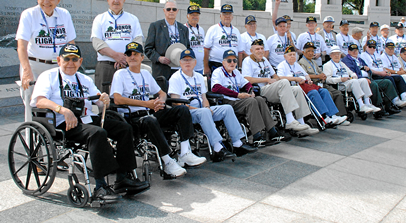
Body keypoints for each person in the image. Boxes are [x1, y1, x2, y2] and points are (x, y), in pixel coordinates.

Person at [31, 44, 149, 200]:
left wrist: (104, 99)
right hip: (62, 123)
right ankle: (101, 186)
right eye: (67, 59)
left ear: (80, 61)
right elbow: (40, 101)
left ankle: (123, 177)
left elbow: (99, 101)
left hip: (85, 119)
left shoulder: (84, 79)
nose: (70, 63)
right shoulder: (49, 76)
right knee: (98, 133)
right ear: (59, 60)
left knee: (124, 128)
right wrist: (63, 110)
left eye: (74, 59)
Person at [111, 42, 205, 177]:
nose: (132, 57)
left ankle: (185, 152)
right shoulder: (120, 74)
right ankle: (167, 162)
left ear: (142, 57)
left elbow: (162, 93)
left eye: (136, 54)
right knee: (150, 120)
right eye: (129, 54)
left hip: (150, 111)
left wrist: (160, 101)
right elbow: (117, 99)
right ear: (125, 57)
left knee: (182, 110)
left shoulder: (145, 73)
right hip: (133, 116)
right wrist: (145, 104)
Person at [169, 48, 257, 159]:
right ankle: (217, 148)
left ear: (195, 62)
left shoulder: (199, 77)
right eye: (184, 60)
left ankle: (237, 144)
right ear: (180, 62)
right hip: (188, 112)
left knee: (227, 108)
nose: (187, 62)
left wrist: (207, 107)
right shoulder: (176, 78)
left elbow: (204, 97)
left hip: (203, 110)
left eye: (190, 60)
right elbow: (176, 104)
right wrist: (200, 110)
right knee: (205, 112)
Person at [16, 0, 76, 124]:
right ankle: (35, 135)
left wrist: (72, 67)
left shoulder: (64, 14)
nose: (46, 2)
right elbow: (21, 46)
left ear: (58, 0)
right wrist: (26, 71)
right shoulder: (29, 14)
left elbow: (71, 44)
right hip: (35, 65)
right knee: (35, 103)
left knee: (60, 100)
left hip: (59, 66)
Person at [242, 39, 318, 136]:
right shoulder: (247, 61)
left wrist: (275, 81)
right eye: (257, 49)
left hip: (271, 88)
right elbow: (247, 79)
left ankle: (301, 123)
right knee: (284, 82)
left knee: (296, 89)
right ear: (251, 51)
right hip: (260, 90)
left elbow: (275, 76)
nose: (260, 51)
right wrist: (266, 80)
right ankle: (290, 120)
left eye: (262, 48)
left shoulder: (264, 60)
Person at [211, 49, 286, 147]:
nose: (232, 63)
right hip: (227, 101)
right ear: (223, 62)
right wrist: (237, 95)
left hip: (239, 100)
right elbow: (216, 88)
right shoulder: (218, 72)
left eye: (234, 60)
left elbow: (246, 83)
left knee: (259, 99)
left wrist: (250, 91)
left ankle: (272, 131)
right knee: (251, 102)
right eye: (229, 61)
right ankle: (257, 135)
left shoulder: (236, 72)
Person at [91, 0, 144, 93]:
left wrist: (125, 57)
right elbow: (97, 43)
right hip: (106, 65)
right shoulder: (100, 18)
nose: (116, 1)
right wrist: (115, 55)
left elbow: (138, 41)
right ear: (107, 0)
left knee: (128, 95)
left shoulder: (132, 19)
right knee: (104, 100)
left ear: (124, 0)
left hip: (128, 64)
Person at [277, 45, 348, 125]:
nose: (292, 56)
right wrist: (295, 79)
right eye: (290, 55)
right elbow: (279, 77)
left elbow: (306, 74)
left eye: (294, 54)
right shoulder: (282, 65)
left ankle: (332, 115)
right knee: (313, 93)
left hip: (305, 85)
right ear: (285, 56)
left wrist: (309, 80)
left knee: (323, 91)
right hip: (295, 87)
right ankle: (324, 117)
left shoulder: (296, 64)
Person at [342, 43, 401, 118]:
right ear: (349, 51)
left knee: (387, 82)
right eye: (352, 50)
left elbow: (370, 70)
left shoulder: (359, 59)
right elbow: (352, 73)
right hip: (359, 80)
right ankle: (378, 107)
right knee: (373, 85)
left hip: (369, 77)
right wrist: (362, 78)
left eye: (356, 50)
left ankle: (389, 105)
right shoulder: (347, 60)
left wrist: (368, 69)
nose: (354, 52)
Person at [299, 42, 350, 119]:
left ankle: (338, 115)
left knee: (337, 93)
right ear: (303, 52)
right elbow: (304, 76)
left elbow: (320, 71)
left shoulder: (313, 61)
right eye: (309, 51)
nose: (311, 53)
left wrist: (323, 75)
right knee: (328, 93)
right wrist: (318, 76)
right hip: (312, 84)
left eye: (312, 51)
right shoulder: (301, 62)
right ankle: (328, 116)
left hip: (320, 83)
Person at [145, 0, 190, 80]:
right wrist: (159, 58)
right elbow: (148, 48)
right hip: (162, 70)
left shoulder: (184, 29)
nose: (171, 11)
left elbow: (188, 48)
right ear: (164, 11)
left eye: (174, 9)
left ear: (177, 11)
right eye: (168, 9)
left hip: (179, 71)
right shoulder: (155, 26)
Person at [323, 46, 376, 114]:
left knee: (363, 80)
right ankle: (361, 105)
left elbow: (351, 72)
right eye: (334, 54)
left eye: (338, 54)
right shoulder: (327, 65)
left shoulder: (342, 64)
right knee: (354, 82)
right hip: (340, 84)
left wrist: (353, 75)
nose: (337, 56)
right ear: (330, 55)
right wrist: (340, 79)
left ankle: (367, 102)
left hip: (348, 81)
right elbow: (327, 79)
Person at [359, 40, 406, 110]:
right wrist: (381, 73)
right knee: (390, 80)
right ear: (366, 47)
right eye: (370, 47)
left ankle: (403, 96)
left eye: (374, 47)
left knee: (398, 77)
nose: (372, 49)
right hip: (374, 75)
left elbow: (382, 67)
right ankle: (394, 100)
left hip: (382, 73)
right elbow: (369, 69)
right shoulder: (363, 55)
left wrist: (386, 72)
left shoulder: (377, 55)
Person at [203, 4, 244, 75]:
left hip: (232, 65)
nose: (227, 16)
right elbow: (206, 49)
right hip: (216, 64)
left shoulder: (236, 31)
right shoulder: (213, 29)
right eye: (225, 14)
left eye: (229, 14)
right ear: (220, 16)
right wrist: (206, 67)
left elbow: (240, 51)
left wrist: (240, 67)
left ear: (232, 16)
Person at [185, 5, 206, 74]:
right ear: (187, 16)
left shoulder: (201, 29)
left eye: (197, 15)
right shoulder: (184, 28)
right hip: (188, 66)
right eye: (192, 15)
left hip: (200, 66)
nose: (195, 17)